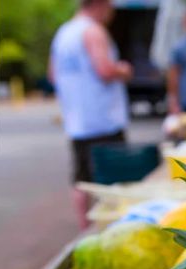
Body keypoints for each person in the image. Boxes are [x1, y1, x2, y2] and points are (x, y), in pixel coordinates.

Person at [49, 0, 132, 229]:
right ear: (100, 4)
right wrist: (123, 70)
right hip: (103, 120)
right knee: (112, 184)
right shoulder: (93, 31)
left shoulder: (64, 33)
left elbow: (53, 75)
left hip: (77, 121)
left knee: (81, 181)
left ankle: (86, 229)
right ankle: (112, 229)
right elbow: (104, 69)